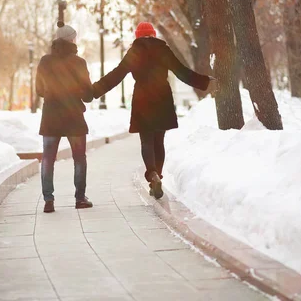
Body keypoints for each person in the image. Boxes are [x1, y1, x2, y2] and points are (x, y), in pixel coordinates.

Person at [92, 22, 212, 199]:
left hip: (142, 98)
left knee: (146, 141)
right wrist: (203, 80)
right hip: (162, 97)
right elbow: (181, 71)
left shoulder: (134, 52)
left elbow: (117, 74)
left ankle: (152, 175)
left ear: (138, 36)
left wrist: (95, 90)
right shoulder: (163, 49)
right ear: (154, 34)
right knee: (159, 141)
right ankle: (158, 174)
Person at [36, 22, 94, 213]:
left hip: (51, 116)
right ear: (71, 40)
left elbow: (39, 90)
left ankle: (48, 200)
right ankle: (79, 198)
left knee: (48, 158)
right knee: (79, 157)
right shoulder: (79, 63)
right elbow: (87, 94)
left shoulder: (45, 62)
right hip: (73, 117)